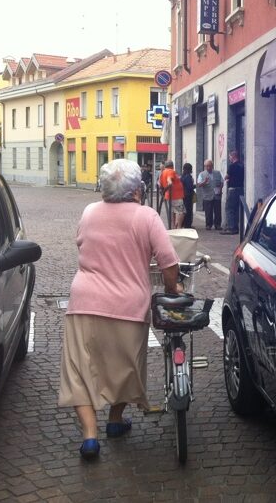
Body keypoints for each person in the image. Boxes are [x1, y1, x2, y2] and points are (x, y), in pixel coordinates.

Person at [58, 159, 182, 460]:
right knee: (125, 368)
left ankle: (90, 436)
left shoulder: (89, 212)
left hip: (84, 303)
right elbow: (169, 263)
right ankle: (114, 421)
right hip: (128, 306)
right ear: (138, 191)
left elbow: (81, 246)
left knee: (78, 370)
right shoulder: (147, 217)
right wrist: (170, 288)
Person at [197, 159, 223, 230]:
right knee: (208, 212)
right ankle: (208, 225)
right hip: (207, 196)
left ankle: (218, 225)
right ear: (205, 166)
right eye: (207, 166)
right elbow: (199, 184)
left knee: (217, 211)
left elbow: (221, 182)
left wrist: (220, 190)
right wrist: (204, 182)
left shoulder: (218, 173)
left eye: (210, 166)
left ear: (212, 166)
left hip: (217, 195)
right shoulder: (201, 174)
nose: (208, 168)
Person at [222, 150, 244, 234]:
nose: (229, 158)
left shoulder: (231, 166)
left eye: (229, 157)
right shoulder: (242, 166)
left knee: (229, 208)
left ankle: (231, 228)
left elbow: (227, 176)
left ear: (233, 156)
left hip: (232, 189)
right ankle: (236, 227)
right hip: (241, 189)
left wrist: (227, 178)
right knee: (237, 209)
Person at [159, 160, 185, 229]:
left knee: (173, 211)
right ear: (172, 166)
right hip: (176, 196)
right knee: (180, 211)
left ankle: (173, 227)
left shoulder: (163, 173)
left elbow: (160, 184)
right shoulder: (170, 171)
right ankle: (178, 228)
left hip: (169, 196)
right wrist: (170, 183)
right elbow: (169, 179)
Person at [181, 162, 195, 228]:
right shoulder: (188, 177)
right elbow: (190, 187)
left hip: (183, 196)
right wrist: (194, 185)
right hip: (188, 196)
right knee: (188, 210)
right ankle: (188, 225)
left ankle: (183, 223)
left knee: (184, 210)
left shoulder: (182, 176)